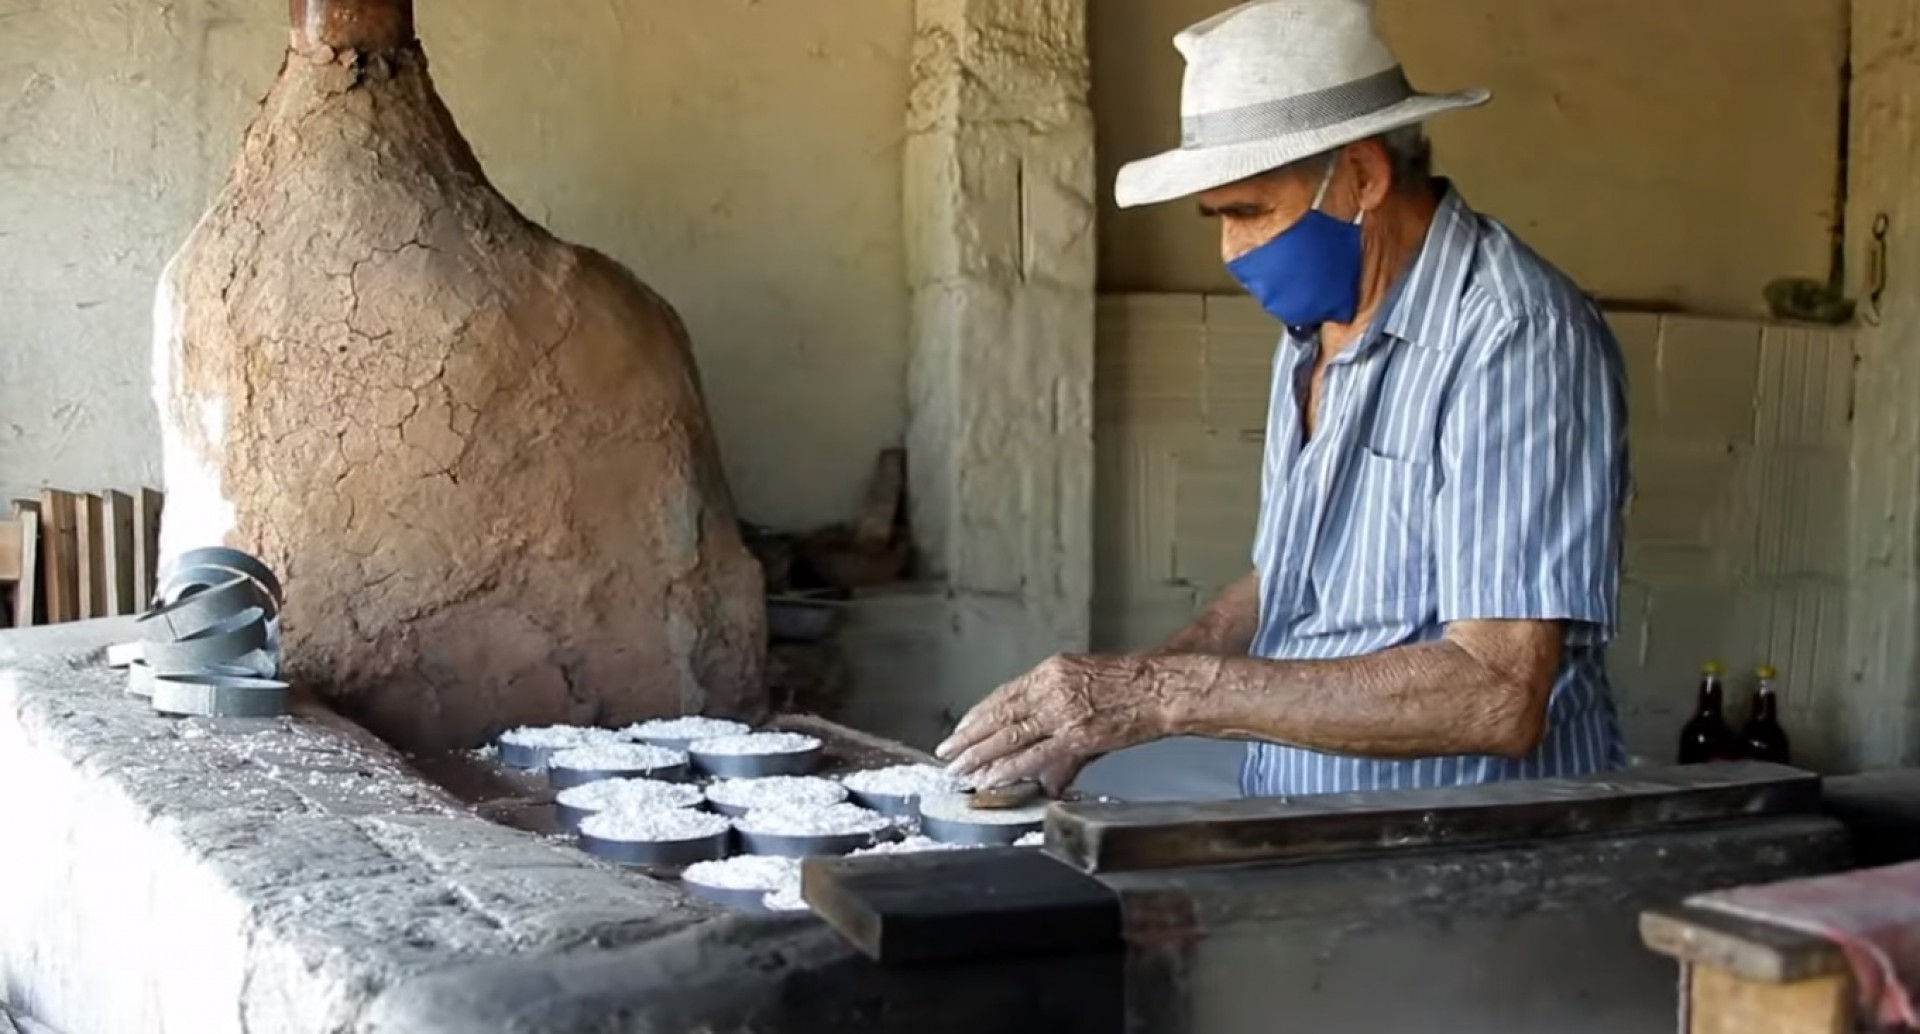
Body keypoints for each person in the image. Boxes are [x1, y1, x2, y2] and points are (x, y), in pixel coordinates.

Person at [937, 0, 1629, 797]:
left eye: (1249, 210)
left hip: (1460, 862)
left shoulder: (1515, 336)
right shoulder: (1313, 332)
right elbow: (1293, 579)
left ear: (1363, 176)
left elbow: (1497, 692)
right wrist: (1113, 697)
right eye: (1218, 218)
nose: (1231, 250)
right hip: (1313, 827)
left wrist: (1160, 700)